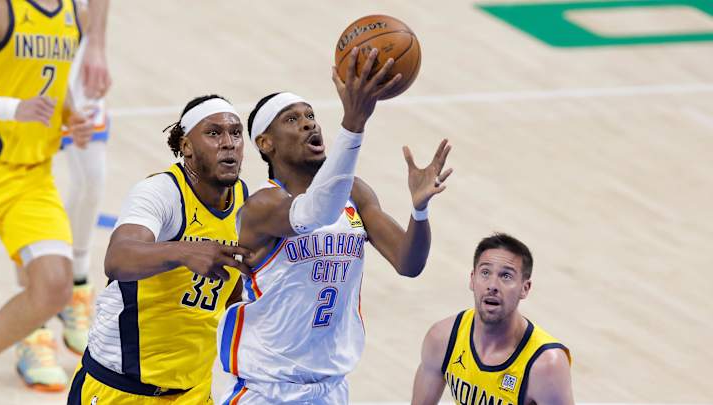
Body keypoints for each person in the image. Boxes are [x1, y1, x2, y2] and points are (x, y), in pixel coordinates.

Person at [217, 47, 453, 404]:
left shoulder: (355, 192)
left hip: (331, 389)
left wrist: (419, 211)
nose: (309, 123)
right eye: (292, 119)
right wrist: (354, 124)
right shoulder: (262, 206)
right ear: (266, 144)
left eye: (310, 115)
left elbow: (409, 263)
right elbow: (316, 213)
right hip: (267, 390)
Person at [67, 94, 252, 404]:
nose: (228, 143)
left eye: (236, 133)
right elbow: (117, 258)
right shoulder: (161, 192)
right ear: (186, 146)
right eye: (213, 133)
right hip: (121, 389)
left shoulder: (244, 201)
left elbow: (231, 292)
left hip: (192, 392)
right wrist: (183, 252)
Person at [0, 0, 96, 391]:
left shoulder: (74, 13)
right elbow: (20, 99)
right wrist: (13, 109)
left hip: (30, 176)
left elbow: (52, 81)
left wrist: (72, 116)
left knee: (54, 286)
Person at [411, 233, 574, 405]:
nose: (492, 285)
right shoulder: (442, 338)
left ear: (525, 288)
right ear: (472, 279)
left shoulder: (546, 365)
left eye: (506, 276)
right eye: (485, 272)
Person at [58, 0, 112, 357]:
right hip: (17, 35)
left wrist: (96, 43)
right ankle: (34, 326)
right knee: (26, 173)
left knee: (93, 178)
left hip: (71, 37)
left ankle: (76, 283)